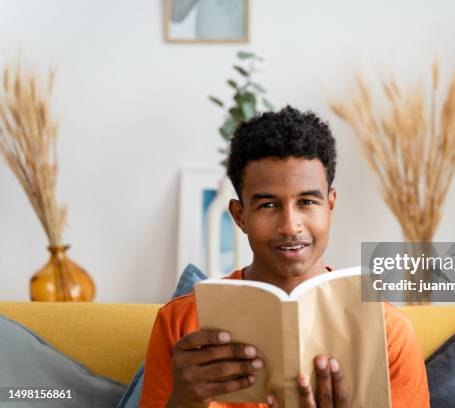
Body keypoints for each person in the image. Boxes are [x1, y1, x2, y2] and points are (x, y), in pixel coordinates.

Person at [140, 106, 430, 407]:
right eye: (268, 205)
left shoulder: (388, 332)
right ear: (240, 216)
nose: (290, 226)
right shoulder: (179, 322)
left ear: (330, 207)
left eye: (306, 201)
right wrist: (182, 402)